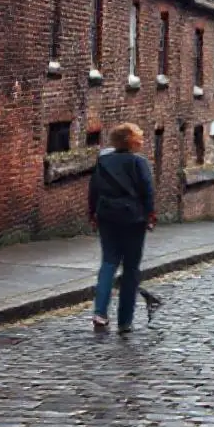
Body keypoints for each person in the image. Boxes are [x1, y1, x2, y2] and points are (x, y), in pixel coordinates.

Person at [88, 122, 157, 334]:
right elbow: (147, 191)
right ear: (130, 140)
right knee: (130, 269)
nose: (142, 141)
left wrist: (92, 213)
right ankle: (124, 321)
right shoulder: (139, 162)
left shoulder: (103, 161)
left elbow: (94, 189)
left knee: (108, 263)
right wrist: (150, 215)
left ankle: (100, 313)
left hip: (107, 215)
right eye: (139, 137)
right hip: (133, 218)